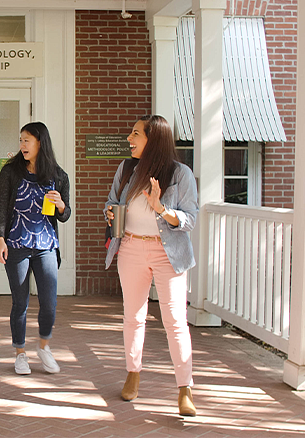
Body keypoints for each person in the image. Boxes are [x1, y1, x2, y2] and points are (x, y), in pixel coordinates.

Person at [104, 115, 199, 416]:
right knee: (133, 316)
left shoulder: (180, 174)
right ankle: (133, 373)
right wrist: (110, 212)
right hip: (130, 247)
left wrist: (161, 209)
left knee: (175, 321)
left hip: (166, 252)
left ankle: (185, 389)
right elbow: (110, 201)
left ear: (153, 138)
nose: (129, 139)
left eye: (135, 134)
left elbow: (189, 220)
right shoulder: (126, 168)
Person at [0, 122, 71, 375]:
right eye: (21, 140)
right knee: (20, 302)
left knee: (49, 302)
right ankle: (20, 353)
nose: (22, 145)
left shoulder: (59, 176)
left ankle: (45, 348)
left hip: (46, 245)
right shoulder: (10, 172)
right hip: (16, 244)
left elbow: (65, 214)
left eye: (27, 140)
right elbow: (1, 208)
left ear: (40, 143)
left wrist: (60, 206)